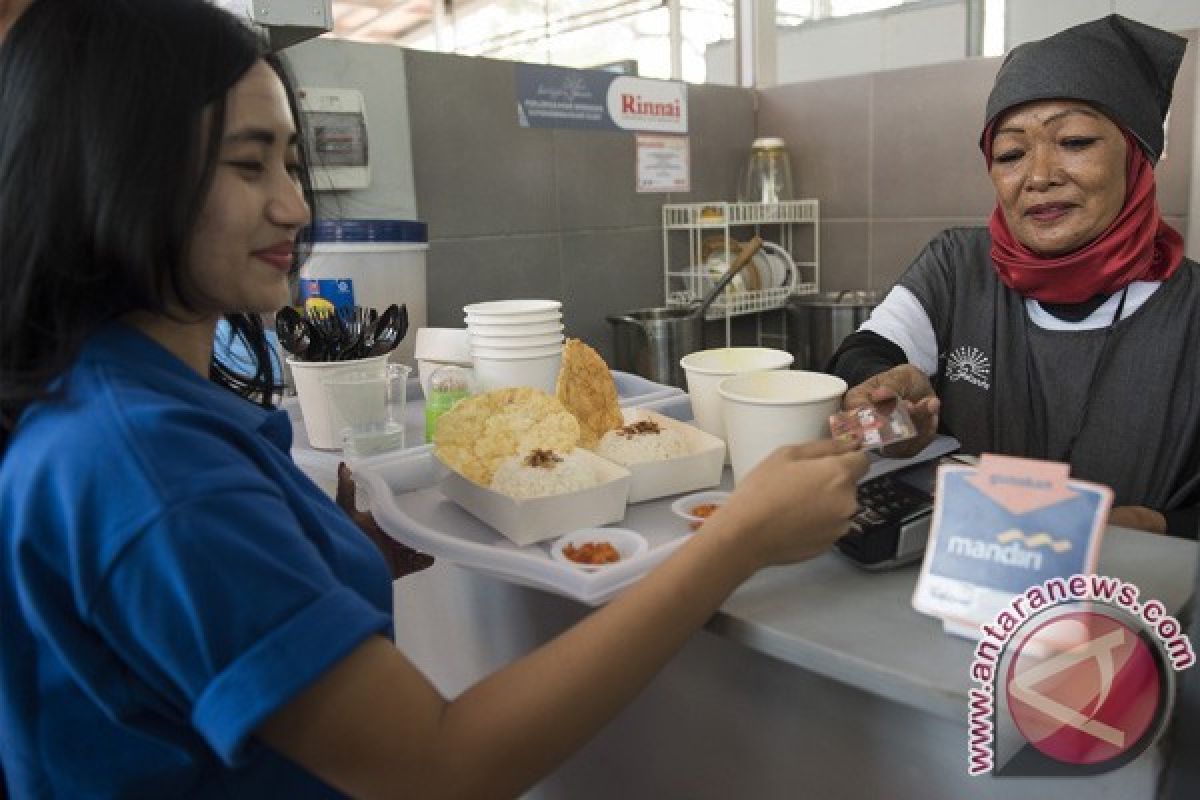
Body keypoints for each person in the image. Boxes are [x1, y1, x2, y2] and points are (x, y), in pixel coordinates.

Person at [0, 1, 866, 796]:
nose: (295, 206)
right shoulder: (150, 465)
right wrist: (740, 538)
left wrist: (327, 556)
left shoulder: (116, 405)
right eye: (248, 164)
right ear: (115, 171)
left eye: (292, 163)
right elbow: (439, 767)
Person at [828, 14, 1197, 538]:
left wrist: (1140, 526)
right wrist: (888, 414)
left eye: (1074, 141)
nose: (1039, 176)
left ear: (1136, 157)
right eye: (1011, 153)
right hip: (965, 567)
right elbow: (864, 354)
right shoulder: (958, 267)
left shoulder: (1188, 312)